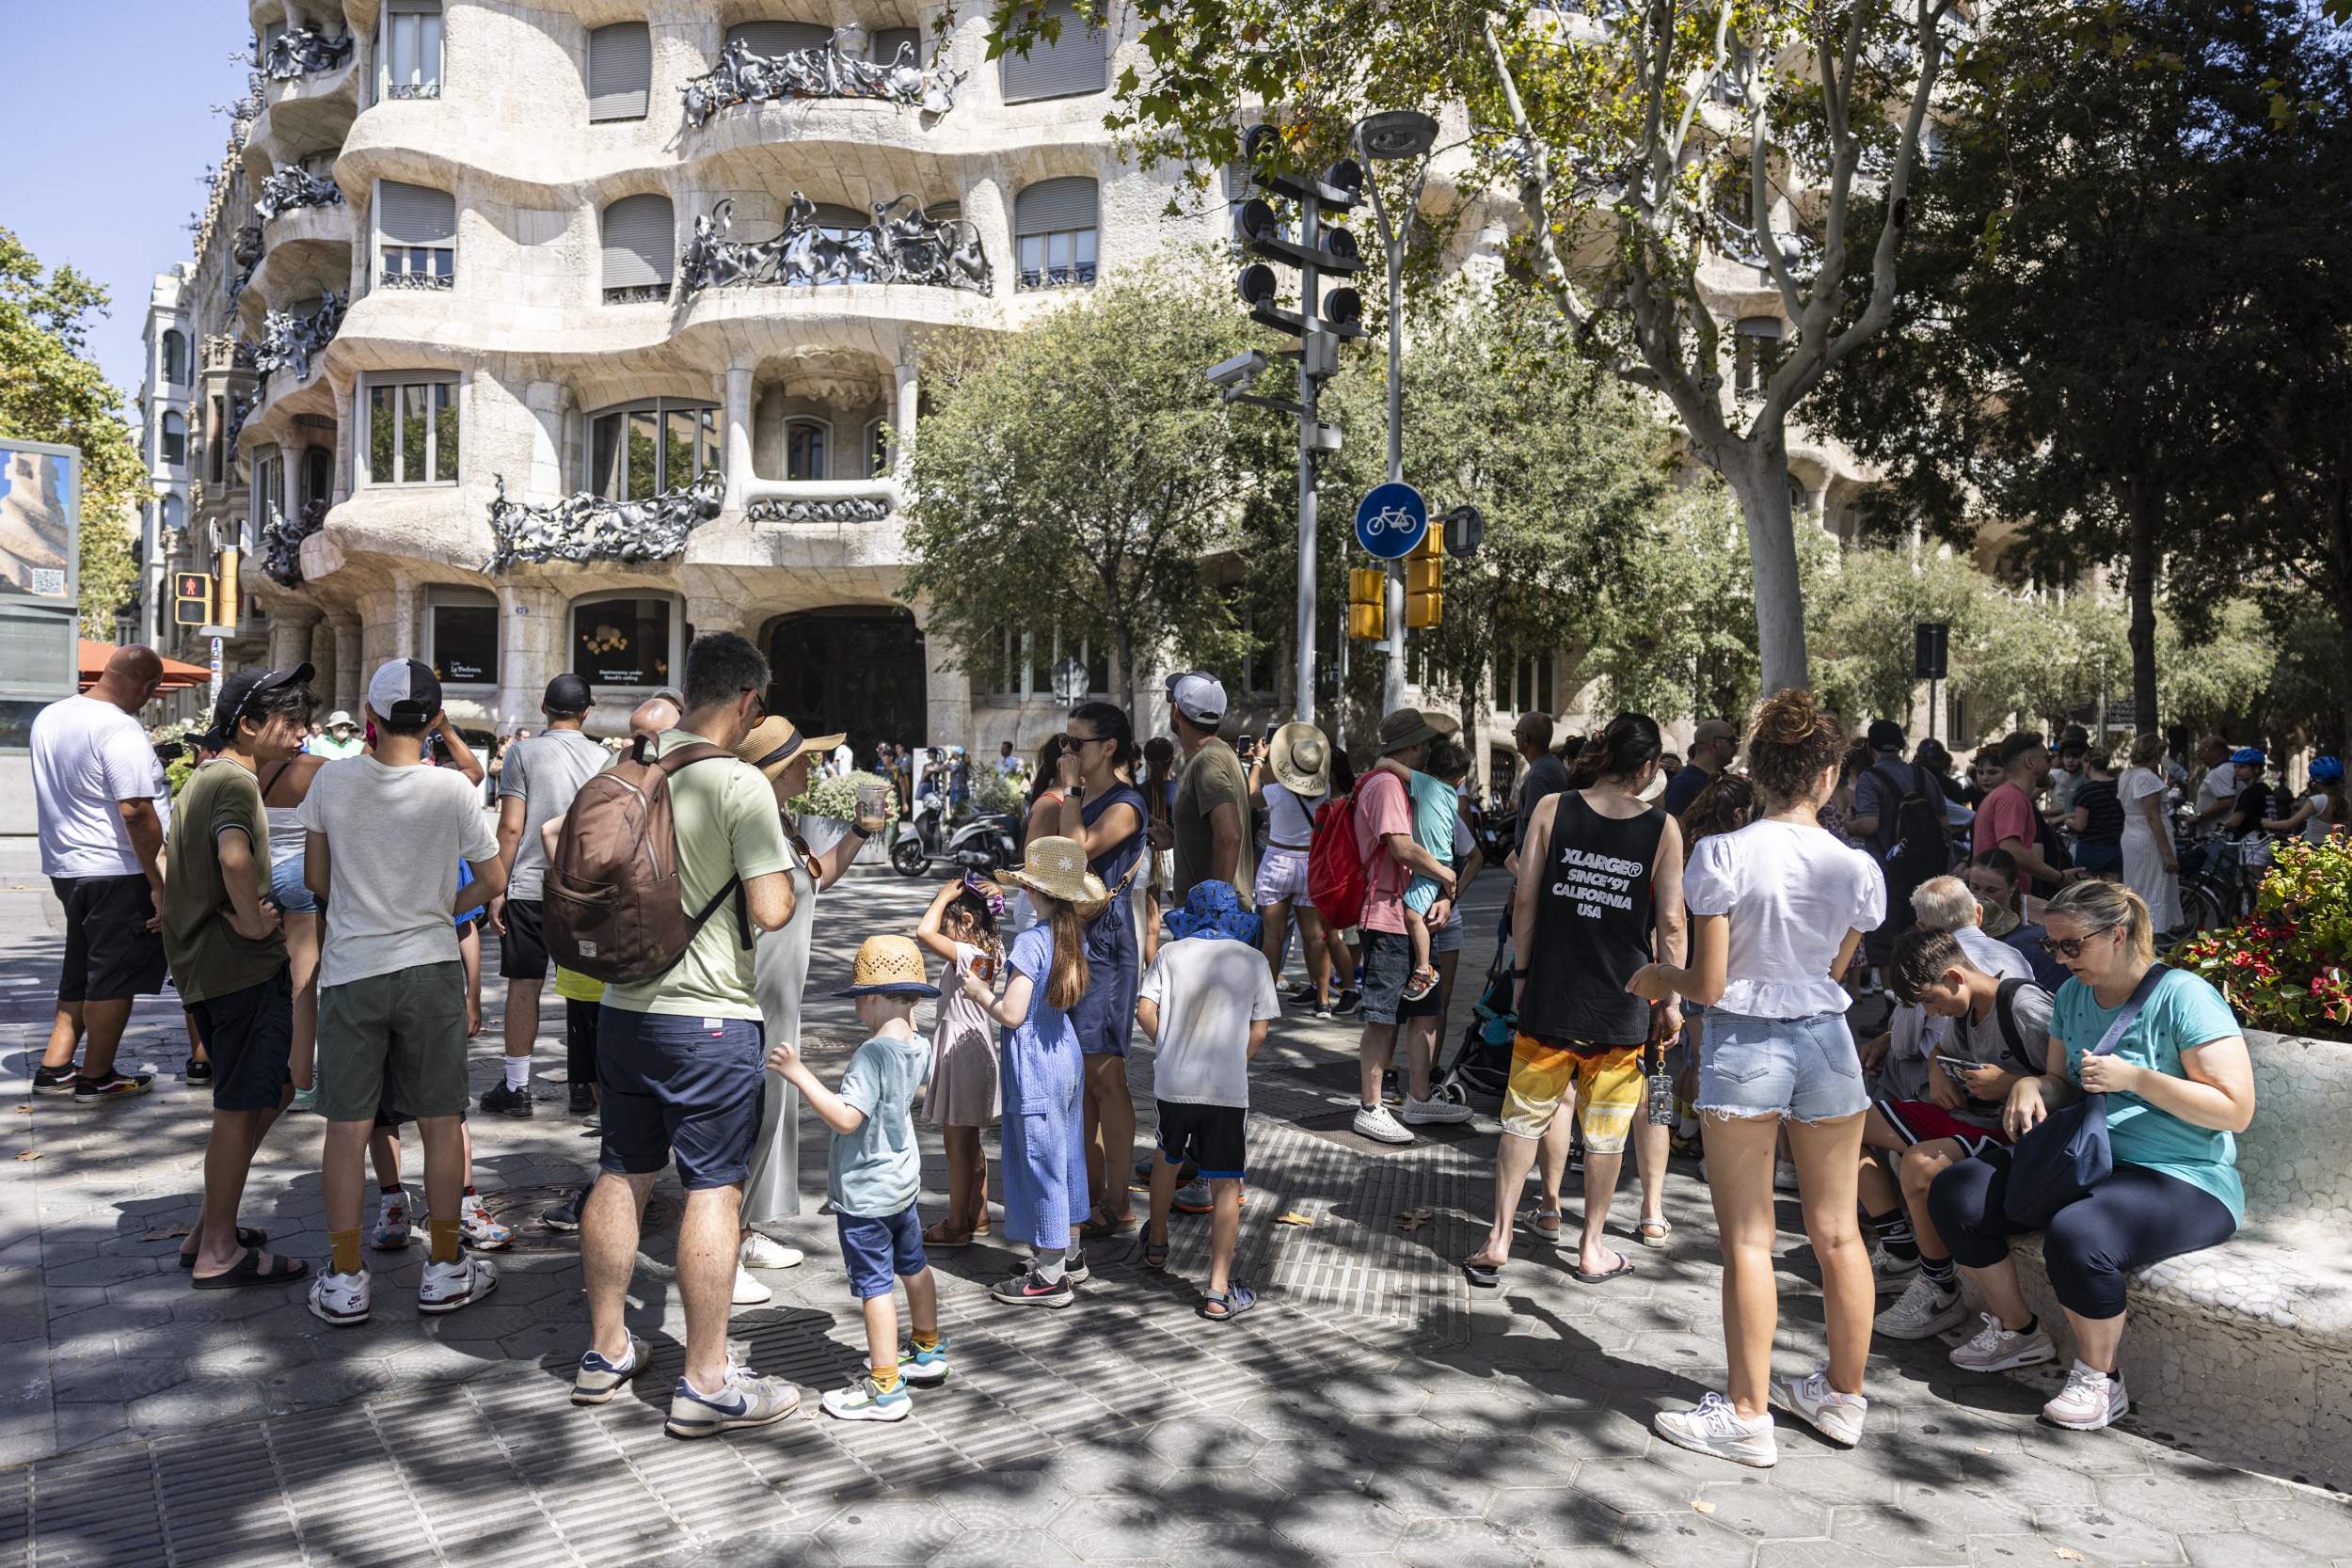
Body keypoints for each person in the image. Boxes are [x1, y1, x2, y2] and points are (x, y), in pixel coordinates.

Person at [1629, 689, 1886, 1467]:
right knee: (1839, 1231)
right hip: (1827, 1043)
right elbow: (1834, 970)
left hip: (1747, 1045)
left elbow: (1707, 984)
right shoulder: (1856, 866)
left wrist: (1655, 976)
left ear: (1760, 772)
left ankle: (1747, 1412)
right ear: (1829, 775)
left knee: (1748, 1238)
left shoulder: (1726, 853)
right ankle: (1843, 1396)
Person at [572, 634, 801, 1436]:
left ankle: (605, 1350)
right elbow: (772, 908)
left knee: (620, 1171)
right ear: (746, 702)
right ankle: (706, 1378)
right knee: (713, 1188)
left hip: (622, 1010)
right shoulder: (738, 782)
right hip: (709, 1019)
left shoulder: (621, 769)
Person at [1927, 879, 2254, 1432]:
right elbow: (2062, 1084)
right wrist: (2031, 1086)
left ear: (2119, 935)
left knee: (2079, 1234)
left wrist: (2139, 1080)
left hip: (2183, 1177)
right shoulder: (2075, 996)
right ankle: (2018, 1333)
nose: (2059, 958)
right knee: (1957, 1192)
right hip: (2087, 1157)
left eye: (2071, 945)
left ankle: (2100, 1380)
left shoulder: (2184, 996)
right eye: (2053, 947)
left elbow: (2234, 1110)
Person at [299, 659, 505, 1328]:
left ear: (372, 711)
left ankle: (348, 1275)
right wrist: (442, 907)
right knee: (442, 1121)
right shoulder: (451, 789)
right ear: (433, 719)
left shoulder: (332, 778)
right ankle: (445, 1265)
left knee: (347, 1125)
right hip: (430, 963)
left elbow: (317, 879)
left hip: (354, 965)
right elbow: (492, 878)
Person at [1465, 713, 1685, 1290]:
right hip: (1623, 1004)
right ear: (1644, 768)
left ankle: (1500, 1237)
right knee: (1608, 1133)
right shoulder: (1663, 829)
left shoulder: (1551, 809)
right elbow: (1670, 924)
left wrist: (1521, 974)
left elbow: (1526, 902)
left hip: (1550, 993)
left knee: (1523, 1119)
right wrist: (1670, 1001)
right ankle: (1591, 1247)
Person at [167, 663, 317, 1290]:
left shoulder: (207, 775)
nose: (302, 733)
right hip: (237, 969)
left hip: (211, 968)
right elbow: (234, 854)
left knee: (270, 1088)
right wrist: (257, 927)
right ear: (250, 725)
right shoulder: (234, 781)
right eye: (290, 722)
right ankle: (219, 1250)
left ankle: (209, 1226)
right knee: (241, 1103)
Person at [731, 716, 888, 1306]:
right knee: (754, 1113)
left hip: (779, 993)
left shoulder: (780, 822)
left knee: (773, 1111)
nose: (811, 768)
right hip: (755, 992)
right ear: (772, 768)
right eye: (801, 760)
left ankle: (744, 1231)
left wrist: (859, 832)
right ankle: (726, 1247)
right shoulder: (753, 823)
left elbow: (814, 881)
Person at [768, 936, 948, 1422]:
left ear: (870, 998)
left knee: (874, 1288)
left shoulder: (871, 1055)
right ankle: (927, 1351)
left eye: (856, 1000)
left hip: (866, 1193)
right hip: (902, 1182)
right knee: (914, 1267)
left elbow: (847, 1118)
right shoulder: (919, 1046)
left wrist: (800, 1074)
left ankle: (885, 1387)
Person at [1867, 925, 2052, 1340]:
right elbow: (1941, 1049)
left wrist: (2010, 1083)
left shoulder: (2024, 1007)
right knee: (1844, 1124)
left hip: (2012, 1131)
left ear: (1955, 976)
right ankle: (1899, 1249)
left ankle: (1939, 1285)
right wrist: (1937, 1069)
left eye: (1931, 1000)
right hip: (1972, 1115)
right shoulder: (1967, 1010)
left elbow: (2069, 1080)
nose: (1931, 1012)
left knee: (1918, 1165)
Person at [964, 836, 1099, 1307]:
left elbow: (1013, 1013)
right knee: (1068, 1157)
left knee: (1043, 1163)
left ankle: (1049, 1276)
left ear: (1033, 892)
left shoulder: (1031, 940)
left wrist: (980, 992)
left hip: (1037, 1063)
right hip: (1065, 1052)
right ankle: (1071, 1255)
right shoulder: (1069, 934)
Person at [31, 644, 169, 1101]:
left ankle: (55, 1066)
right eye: (151, 691)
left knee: (82, 970)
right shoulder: (118, 728)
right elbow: (135, 810)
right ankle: (98, 1074)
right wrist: (158, 883)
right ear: (146, 686)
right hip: (117, 868)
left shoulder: (52, 716)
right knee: (115, 977)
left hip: (69, 866)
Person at [1137, 880, 1279, 1320]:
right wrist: (1234, 1061)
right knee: (1226, 1183)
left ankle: (1157, 1243)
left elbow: (1145, 1009)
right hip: (1226, 1089)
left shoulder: (1170, 954)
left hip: (1174, 1082)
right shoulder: (1254, 960)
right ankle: (1218, 1290)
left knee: (1167, 1158)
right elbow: (1260, 1031)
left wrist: (1171, 1046)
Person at [485, 674, 607, 1118]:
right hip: (583, 888)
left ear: (543, 707)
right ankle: (584, 1084)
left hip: (531, 885)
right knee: (587, 986)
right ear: (587, 712)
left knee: (524, 984)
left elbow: (511, 826)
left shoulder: (522, 753)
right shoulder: (604, 757)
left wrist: (497, 885)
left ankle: (517, 1086)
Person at [1049, 701, 1148, 1239]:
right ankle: (1088, 1190)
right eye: (1065, 743)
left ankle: (1119, 1201)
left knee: (1106, 1074)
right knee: (1080, 1076)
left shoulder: (1126, 803)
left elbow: (1072, 851)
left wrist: (1070, 792)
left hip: (1106, 947)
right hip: (1076, 939)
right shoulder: (1094, 796)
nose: (1067, 753)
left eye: (1076, 744)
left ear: (1107, 747)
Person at [1348, 710, 1470, 1144]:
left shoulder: (1408, 785)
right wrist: (1446, 875)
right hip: (1387, 915)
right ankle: (1371, 1105)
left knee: (1426, 1007)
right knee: (1384, 1015)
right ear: (1416, 746)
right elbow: (1400, 848)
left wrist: (1440, 892)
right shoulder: (1385, 786)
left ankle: (1418, 1098)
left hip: (1413, 912)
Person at [914, 876, 1005, 1245]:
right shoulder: (995, 949)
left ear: (966, 922)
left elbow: (923, 932)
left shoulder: (969, 953)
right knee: (970, 1142)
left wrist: (940, 898)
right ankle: (977, 1214)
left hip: (961, 1051)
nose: (944, 932)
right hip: (977, 1046)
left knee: (957, 1147)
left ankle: (956, 1225)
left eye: (951, 924)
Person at [1851, 718, 1950, 977]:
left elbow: (1870, 824)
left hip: (1888, 870)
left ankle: (1893, 1006)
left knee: (1887, 940)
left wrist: (1847, 824)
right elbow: (1943, 823)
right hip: (1926, 868)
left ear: (1870, 747)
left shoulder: (1870, 778)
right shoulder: (1923, 775)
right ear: (1902, 745)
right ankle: (1925, 992)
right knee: (1925, 932)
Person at [1252, 722, 1333, 1015]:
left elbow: (1250, 797)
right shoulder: (1325, 793)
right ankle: (1323, 1000)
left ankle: (1267, 1003)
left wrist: (1259, 761)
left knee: (1273, 936)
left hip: (1278, 862)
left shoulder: (1275, 793)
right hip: (1310, 865)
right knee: (1315, 936)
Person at [1157, 672, 1248, 901]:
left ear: (1176, 710)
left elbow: (1230, 834)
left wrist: (1215, 908)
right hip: (1207, 922)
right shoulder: (1220, 753)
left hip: (1208, 924)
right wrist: (1177, 837)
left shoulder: (1208, 762)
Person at [1398, 733, 1467, 1004]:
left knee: (1413, 915)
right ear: (1460, 780)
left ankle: (1424, 969)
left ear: (1427, 769)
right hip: (1441, 863)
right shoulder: (1451, 795)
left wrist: (1382, 761)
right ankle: (1424, 966)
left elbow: (1394, 768)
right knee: (1416, 914)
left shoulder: (1425, 784)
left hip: (1432, 866)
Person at [1974, 731, 2078, 896]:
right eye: (2047, 759)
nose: (2050, 765)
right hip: (2005, 903)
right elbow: (2011, 850)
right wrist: (2059, 877)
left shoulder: (2009, 795)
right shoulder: (2011, 797)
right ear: (2030, 762)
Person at [2116, 735, 2182, 931]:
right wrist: (2168, 854)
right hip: (2148, 837)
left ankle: (2137, 928)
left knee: (2138, 885)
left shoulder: (2128, 774)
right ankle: (2150, 932)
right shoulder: (2147, 777)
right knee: (2153, 887)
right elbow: (2153, 816)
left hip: (2131, 833)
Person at [1509, 711, 1573, 871]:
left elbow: (1537, 829)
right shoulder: (1552, 764)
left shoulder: (1539, 775)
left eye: (1516, 732)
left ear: (1525, 739)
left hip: (1535, 866)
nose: (1515, 737)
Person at [1661, 717, 1737, 820]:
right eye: (1732, 740)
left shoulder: (1724, 776)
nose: (1735, 746)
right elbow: (1675, 830)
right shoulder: (1683, 784)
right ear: (1714, 744)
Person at [2067, 748, 2125, 878]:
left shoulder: (2086, 790)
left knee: (2088, 891)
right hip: (2117, 847)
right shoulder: (2120, 786)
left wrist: (2068, 822)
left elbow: (2079, 825)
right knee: (2112, 893)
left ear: (2088, 764)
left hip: (2091, 849)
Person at [2265, 755, 2346, 843]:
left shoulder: (2318, 800)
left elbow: (2289, 824)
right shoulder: (2345, 801)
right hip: (2337, 851)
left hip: (2315, 851)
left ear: (2315, 782)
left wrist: (2267, 823)